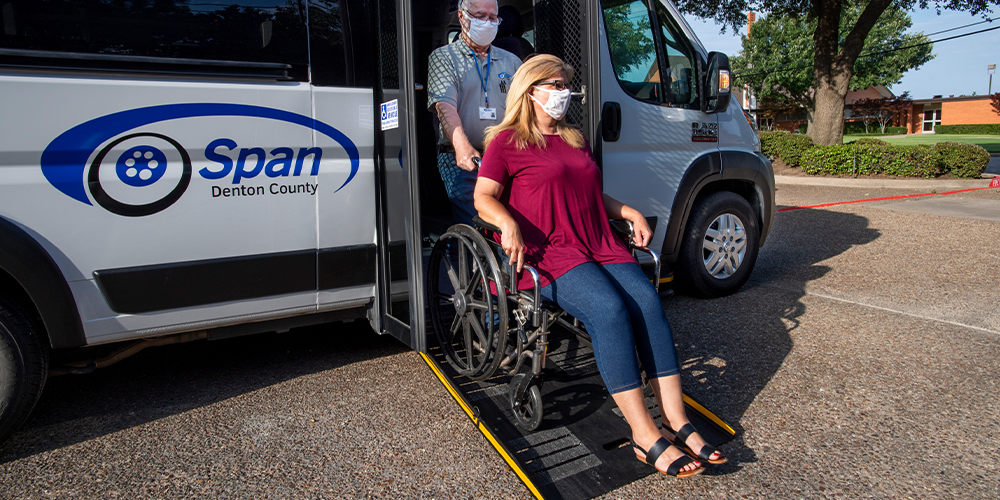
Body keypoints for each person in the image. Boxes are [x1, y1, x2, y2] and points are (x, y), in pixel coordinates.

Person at [473, 55, 728, 478]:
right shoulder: (506, 142)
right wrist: (507, 224)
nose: (562, 93)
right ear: (530, 89)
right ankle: (644, 435)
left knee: (648, 302)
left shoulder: (574, 138)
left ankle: (677, 420)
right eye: (554, 84)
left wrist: (629, 212)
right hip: (549, 251)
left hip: (597, 241)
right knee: (608, 310)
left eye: (565, 84)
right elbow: (484, 197)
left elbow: (591, 195)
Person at [427, 0, 522, 226]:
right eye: (480, 16)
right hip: (461, 157)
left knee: (516, 218)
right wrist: (462, 146)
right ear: (462, 17)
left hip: (504, 156)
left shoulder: (512, 61)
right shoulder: (443, 58)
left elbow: (524, 110)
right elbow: (444, 106)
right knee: (478, 223)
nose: (487, 23)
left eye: (492, 18)